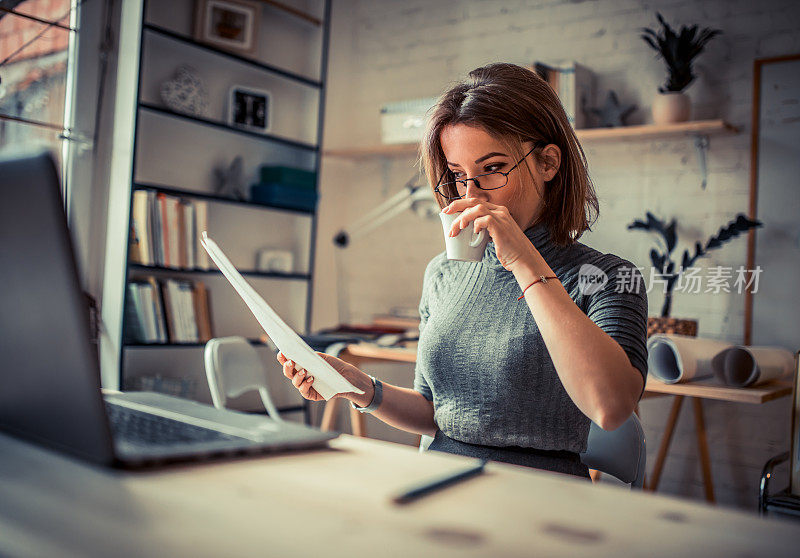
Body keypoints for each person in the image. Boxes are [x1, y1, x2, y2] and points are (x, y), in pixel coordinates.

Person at [278, 63, 648, 480]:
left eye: (492, 168)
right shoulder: (442, 274)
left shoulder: (608, 277)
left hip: (540, 497)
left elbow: (611, 406)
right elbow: (435, 414)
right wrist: (362, 388)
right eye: (457, 175)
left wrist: (525, 262)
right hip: (437, 484)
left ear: (548, 162)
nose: (470, 194)